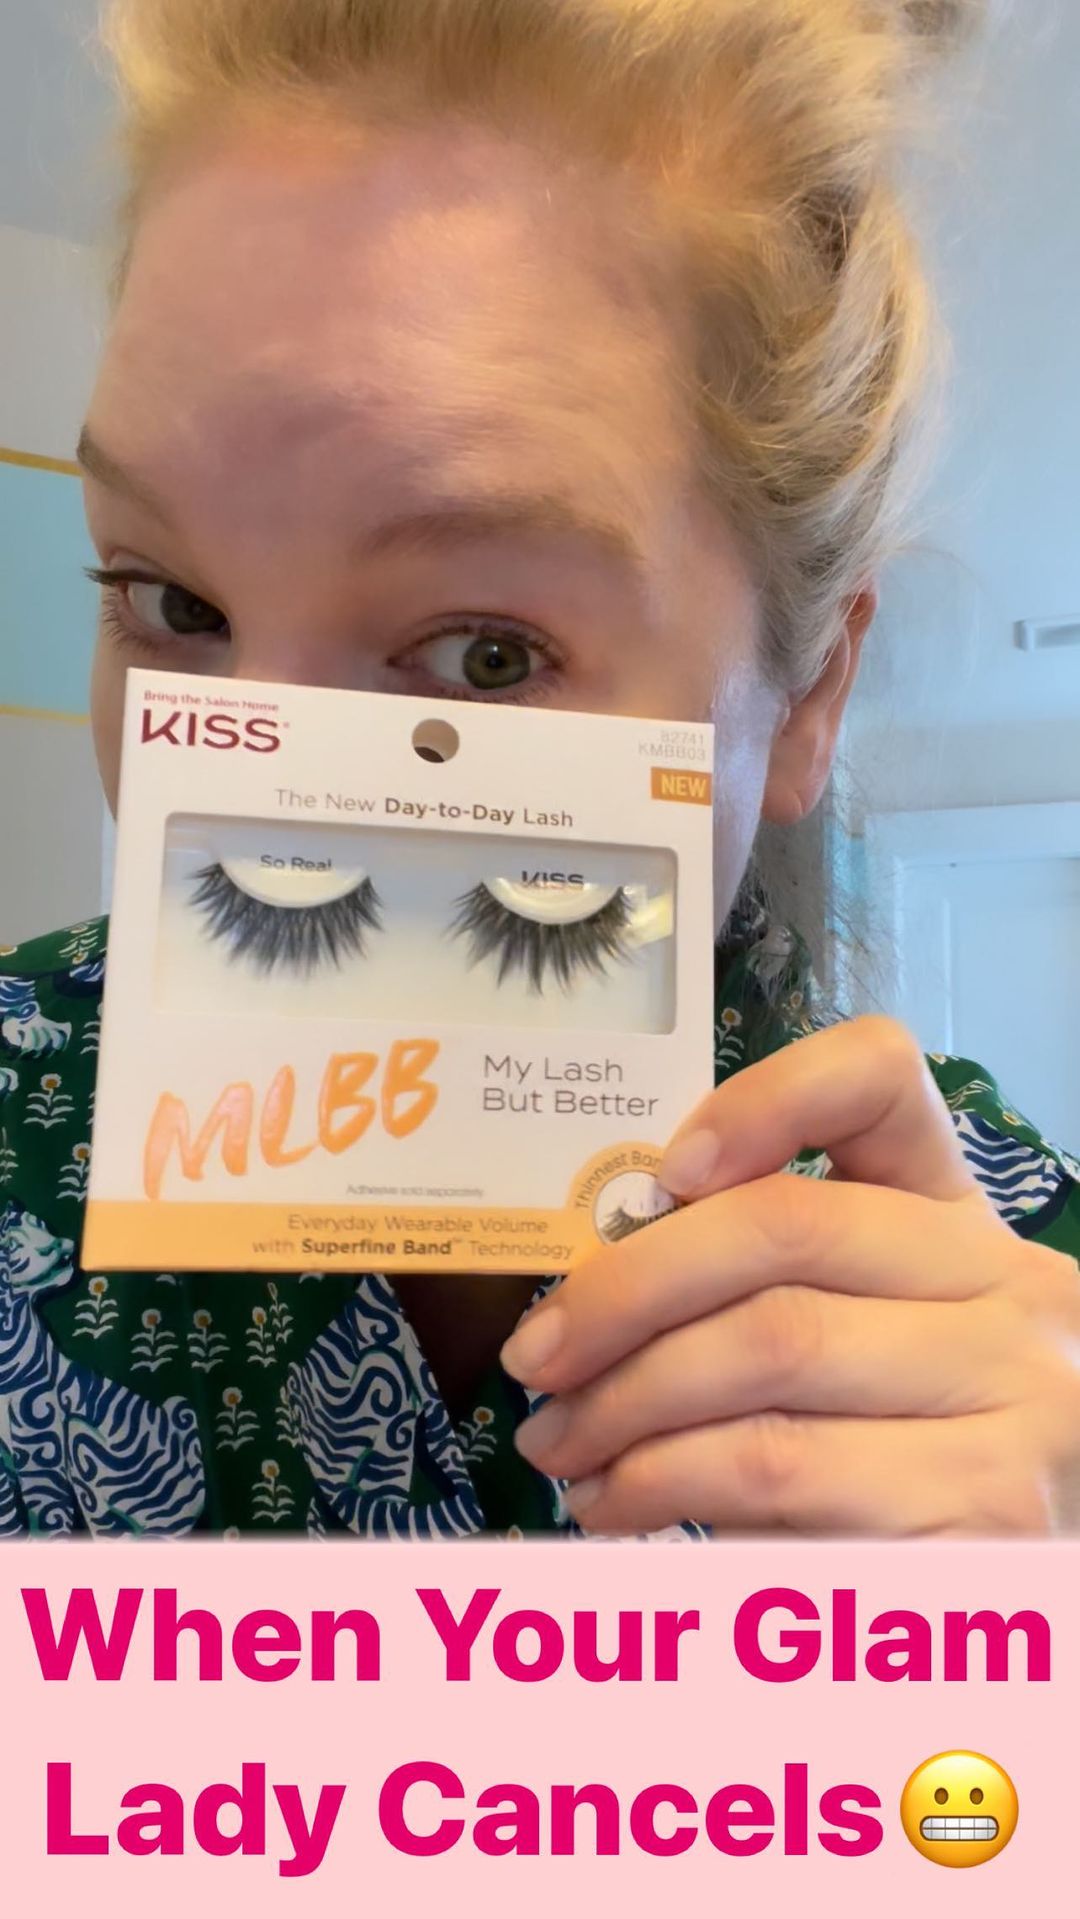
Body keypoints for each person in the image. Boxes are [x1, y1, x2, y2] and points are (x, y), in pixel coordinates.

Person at [2, 0, 1078, 1541]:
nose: (244, 806)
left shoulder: (1020, 1291)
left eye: (485, 655)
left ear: (807, 694)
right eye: (172, 605)